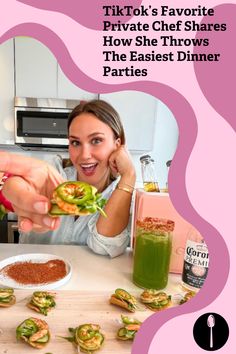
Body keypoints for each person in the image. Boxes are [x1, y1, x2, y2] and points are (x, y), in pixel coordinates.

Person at [0, 100, 136, 257]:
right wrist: (24, 196)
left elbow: (104, 247)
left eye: (96, 140)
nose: (84, 155)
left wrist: (130, 174)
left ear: (117, 144)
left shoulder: (122, 193)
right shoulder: (55, 176)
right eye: (76, 142)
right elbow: (28, 188)